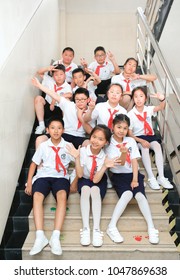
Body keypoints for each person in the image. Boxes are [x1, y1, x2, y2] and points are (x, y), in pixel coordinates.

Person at [106, 114, 159, 244]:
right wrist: (124, 153)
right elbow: (120, 163)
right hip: (118, 175)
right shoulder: (109, 143)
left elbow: (134, 161)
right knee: (128, 194)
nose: (121, 130)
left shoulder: (130, 141)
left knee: (140, 195)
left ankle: (151, 227)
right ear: (112, 127)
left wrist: (135, 179)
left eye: (125, 128)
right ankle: (111, 226)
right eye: (119, 127)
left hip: (132, 174)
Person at [24, 117, 75, 256]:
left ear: (63, 130)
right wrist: (29, 182)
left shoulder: (68, 145)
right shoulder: (43, 146)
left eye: (59, 128)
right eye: (52, 128)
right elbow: (34, 163)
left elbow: (79, 163)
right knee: (37, 196)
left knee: (62, 196)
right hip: (44, 176)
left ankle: (55, 236)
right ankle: (40, 236)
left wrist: (74, 180)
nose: (56, 131)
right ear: (47, 130)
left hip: (60, 177)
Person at [66, 124, 122, 247]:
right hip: (84, 178)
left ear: (106, 142)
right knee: (86, 189)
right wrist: (76, 158)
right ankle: (86, 228)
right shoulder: (82, 151)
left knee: (95, 190)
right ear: (90, 137)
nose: (96, 141)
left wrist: (105, 166)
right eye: (94, 137)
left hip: (99, 179)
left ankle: (96, 229)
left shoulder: (104, 156)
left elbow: (96, 180)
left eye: (100, 139)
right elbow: (80, 174)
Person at [128, 86, 173, 190]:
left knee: (157, 146)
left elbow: (161, 107)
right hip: (138, 138)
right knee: (145, 148)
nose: (138, 99)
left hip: (150, 136)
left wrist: (161, 99)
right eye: (136, 97)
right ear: (133, 99)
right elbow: (130, 134)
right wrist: (141, 141)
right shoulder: (130, 114)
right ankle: (151, 178)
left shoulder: (148, 109)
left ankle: (161, 177)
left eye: (141, 96)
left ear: (145, 98)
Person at [32, 77, 95, 149]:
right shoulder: (69, 105)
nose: (80, 102)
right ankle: (39, 160)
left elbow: (90, 132)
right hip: (64, 134)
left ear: (88, 100)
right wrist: (39, 85)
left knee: (90, 145)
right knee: (40, 139)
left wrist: (80, 117)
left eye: (83, 99)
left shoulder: (91, 111)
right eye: (77, 99)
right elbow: (54, 95)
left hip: (79, 137)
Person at [34, 64, 72, 134]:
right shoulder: (49, 80)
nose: (59, 77)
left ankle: (65, 127)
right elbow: (39, 72)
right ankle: (41, 125)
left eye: (61, 74)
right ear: (53, 76)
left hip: (59, 109)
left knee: (67, 100)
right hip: (48, 106)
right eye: (56, 75)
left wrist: (54, 101)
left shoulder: (67, 86)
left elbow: (70, 94)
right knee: (38, 98)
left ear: (65, 75)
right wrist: (48, 68)